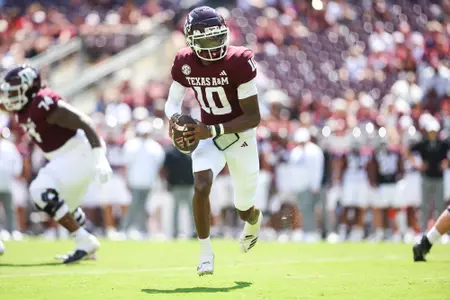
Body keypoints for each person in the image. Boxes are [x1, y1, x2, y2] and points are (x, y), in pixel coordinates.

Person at [165, 6, 263, 275]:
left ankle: (253, 220)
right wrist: (174, 118)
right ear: (191, 42)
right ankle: (206, 253)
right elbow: (172, 101)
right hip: (208, 132)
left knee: (243, 207)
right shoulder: (185, 61)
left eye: (217, 38)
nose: (213, 47)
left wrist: (212, 130)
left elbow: (253, 117)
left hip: (239, 135)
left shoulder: (239, 61)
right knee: (202, 184)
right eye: (205, 41)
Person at [0, 65, 112, 263]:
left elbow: (84, 122)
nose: (9, 97)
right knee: (66, 208)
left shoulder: (42, 103)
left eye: (14, 91)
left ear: (29, 88)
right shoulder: (23, 106)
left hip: (78, 153)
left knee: (39, 190)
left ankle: (84, 241)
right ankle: (87, 248)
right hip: (66, 158)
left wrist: (99, 156)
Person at [122, 120, 165, 238]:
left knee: (144, 207)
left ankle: (142, 230)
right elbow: (126, 165)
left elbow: (159, 166)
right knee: (134, 206)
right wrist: (126, 181)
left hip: (148, 182)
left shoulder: (154, 146)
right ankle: (126, 229)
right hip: (135, 182)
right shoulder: (132, 145)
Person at [407, 120, 449, 233]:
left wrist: (447, 163)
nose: (432, 134)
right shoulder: (423, 144)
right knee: (424, 205)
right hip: (426, 178)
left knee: (440, 206)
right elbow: (407, 151)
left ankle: (441, 232)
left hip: (439, 178)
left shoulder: (442, 144)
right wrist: (417, 164)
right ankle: (423, 231)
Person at [288, 128, 324, 242]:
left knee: (311, 210)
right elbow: (293, 169)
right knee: (300, 209)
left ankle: (312, 232)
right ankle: (300, 231)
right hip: (298, 185)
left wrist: (315, 185)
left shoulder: (315, 151)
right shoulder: (295, 151)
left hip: (310, 185)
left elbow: (317, 169)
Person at [162, 144, 194, 239]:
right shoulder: (171, 153)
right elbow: (165, 169)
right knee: (176, 210)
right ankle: (175, 232)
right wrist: (167, 183)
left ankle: (195, 231)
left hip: (189, 185)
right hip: (176, 185)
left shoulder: (191, 151)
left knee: (192, 211)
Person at [0, 127, 23, 239]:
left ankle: (13, 230)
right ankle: (2, 230)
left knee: (9, 208)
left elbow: (17, 161)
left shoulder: (9, 146)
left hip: (7, 183)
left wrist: (16, 173)